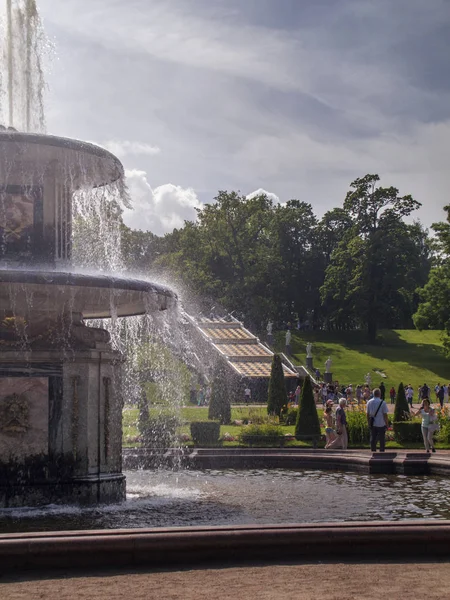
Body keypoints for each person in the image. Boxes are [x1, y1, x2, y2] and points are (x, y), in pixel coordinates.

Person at [366, 388, 389, 453]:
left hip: (373, 423)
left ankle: (373, 451)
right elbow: (385, 415)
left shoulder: (369, 402)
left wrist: (368, 422)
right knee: (382, 439)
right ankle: (382, 451)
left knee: (373, 438)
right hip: (381, 423)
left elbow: (367, 414)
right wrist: (387, 424)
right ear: (379, 394)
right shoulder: (382, 402)